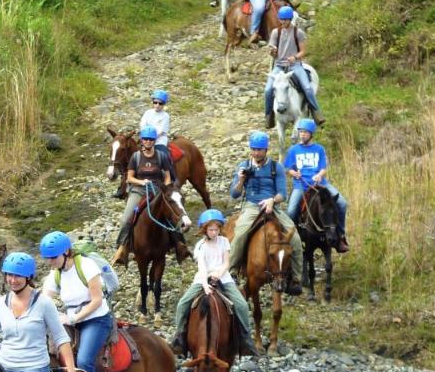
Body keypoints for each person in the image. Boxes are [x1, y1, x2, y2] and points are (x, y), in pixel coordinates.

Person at [171, 210, 260, 357]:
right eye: (211, 229)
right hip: (203, 277)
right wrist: (205, 286)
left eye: (217, 229)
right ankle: (179, 336)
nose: (214, 232)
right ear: (204, 229)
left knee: (242, 305)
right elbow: (202, 267)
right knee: (182, 304)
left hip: (223, 277)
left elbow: (226, 262)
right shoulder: (200, 245)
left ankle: (245, 337)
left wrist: (219, 274)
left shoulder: (224, 242)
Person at [227, 130, 304, 294]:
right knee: (240, 234)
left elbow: (282, 194)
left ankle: (296, 278)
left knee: (295, 238)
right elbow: (234, 194)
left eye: (259, 150)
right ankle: (232, 271)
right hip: (252, 205)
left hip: (272, 206)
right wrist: (241, 180)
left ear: (266, 150)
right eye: (254, 149)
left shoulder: (277, 167)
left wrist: (272, 200)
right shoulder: (243, 166)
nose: (256, 153)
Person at [40, 231, 115, 372]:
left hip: (96, 319)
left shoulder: (86, 265)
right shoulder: (56, 273)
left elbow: (97, 300)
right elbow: (44, 300)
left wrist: (73, 319)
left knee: (83, 361)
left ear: (66, 252)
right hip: (71, 319)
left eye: (53, 257)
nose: (50, 262)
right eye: (47, 258)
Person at [112, 126, 185, 268]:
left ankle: (180, 245)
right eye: (145, 139)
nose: (148, 142)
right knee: (126, 218)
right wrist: (142, 182)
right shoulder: (136, 157)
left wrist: (166, 188)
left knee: (174, 212)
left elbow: (167, 177)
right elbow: (130, 178)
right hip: (138, 191)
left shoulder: (161, 156)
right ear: (142, 141)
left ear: (154, 141)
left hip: (157, 190)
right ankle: (122, 248)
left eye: (150, 139)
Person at [283, 119, 349, 253]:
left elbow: (323, 168)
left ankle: (340, 236)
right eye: (300, 132)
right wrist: (293, 173)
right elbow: (288, 168)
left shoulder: (319, 149)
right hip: (301, 184)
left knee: (342, 203)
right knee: (291, 211)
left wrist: (319, 175)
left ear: (311, 134)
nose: (302, 135)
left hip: (320, 184)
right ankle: (292, 240)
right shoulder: (293, 150)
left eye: (305, 133)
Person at [264, 5, 324, 128]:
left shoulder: (298, 33)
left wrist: (295, 57)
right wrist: (272, 51)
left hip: (295, 65)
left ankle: (316, 112)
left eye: (285, 19)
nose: (283, 22)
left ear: (290, 19)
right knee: (268, 90)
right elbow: (271, 49)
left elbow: (303, 51)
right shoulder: (276, 32)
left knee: (307, 88)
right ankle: (269, 115)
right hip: (279, 66)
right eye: (281, 19)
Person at [140, 90, 173, 169]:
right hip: (145, 140)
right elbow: (143, 126)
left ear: (164, 104)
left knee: (164, 157)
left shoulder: (165, 116)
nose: (157, 105)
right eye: (155, 102)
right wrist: (145, 138)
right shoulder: (147, 113)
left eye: (160, 103)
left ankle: (170, 177)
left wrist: (151, 139)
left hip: (159, 141)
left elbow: (161, 131)